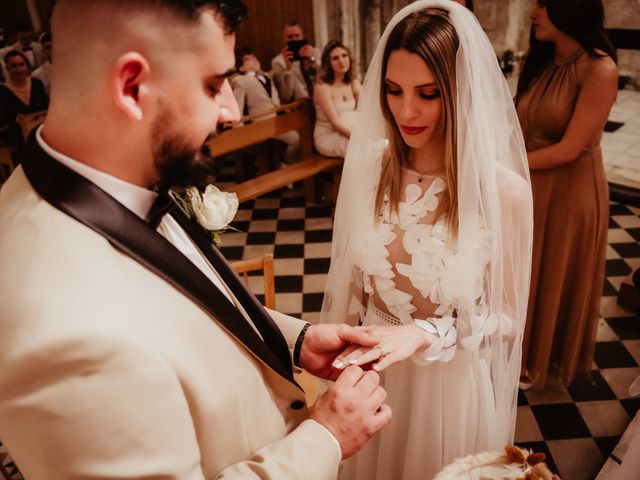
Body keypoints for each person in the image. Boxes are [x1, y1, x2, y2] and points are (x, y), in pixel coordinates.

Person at [0, 1, 392, 479]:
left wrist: (295, 341)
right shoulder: (67, 337)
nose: (230, 108)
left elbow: (184, 309)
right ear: (132, 87)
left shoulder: (121, 176)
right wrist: (326, 436)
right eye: (213, 85)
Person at [321, 1, 533, 479]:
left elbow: (508, 318)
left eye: (429, 93)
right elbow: (349, 285)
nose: (406, 111)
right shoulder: (371, 165)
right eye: (393, 91)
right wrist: (328, 382)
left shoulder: (504, 193)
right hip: (369, 376)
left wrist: (423, 332)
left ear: (461, 94)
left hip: (447, 391)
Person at [515, 0, 617, 390]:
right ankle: (518, 352)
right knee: (527, 272)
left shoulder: (598, 68)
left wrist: (503, 166)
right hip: (532, 181)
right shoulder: (544, 62)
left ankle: (542, 361)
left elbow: (568, 149)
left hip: (571, 189)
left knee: (554, 271)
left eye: (541, 3)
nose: (532, 12)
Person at [232, 47, 299, 164]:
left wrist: (287, 67)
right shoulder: (241, 81)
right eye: (247, 59)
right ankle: (288, 163)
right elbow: (237, 108)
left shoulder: (266, 77)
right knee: (296, 139)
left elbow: (275, 79)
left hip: (281, 116)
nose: (253, 59)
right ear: (241, 67)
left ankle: (288, 163)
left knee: (303, 133)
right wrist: (239, 131)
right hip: (263, 122)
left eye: (253, 56)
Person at [313, 41, 361, 158]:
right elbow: (335, 124)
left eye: (344, 56)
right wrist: (359, 137)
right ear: (328, 63)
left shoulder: (353, 82)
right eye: (335, 58)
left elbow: (362, 112)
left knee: (379, 143)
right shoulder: (322, 87)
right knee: (362, 149)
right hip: (328, 136)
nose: (341, 61)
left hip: (349, 132)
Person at [0, 50, 49, 143]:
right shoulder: (2, 91)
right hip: (19, 140)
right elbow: (4, 120)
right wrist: (15, 120)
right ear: (7, 68)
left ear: (26, 65)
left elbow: (47, 108)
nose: (19, 69)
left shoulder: (37, 83)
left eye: (21, 64)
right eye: (13, 66)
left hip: (43, 135)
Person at [271, 19, 319, 103]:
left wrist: (312, 60)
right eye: (290, 37)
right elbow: (285, 96)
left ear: (302, 36)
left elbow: (327, 78)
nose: (294, 39)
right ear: (284, 39)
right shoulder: (278, 62)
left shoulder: (315, 52)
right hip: (299, 106)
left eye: (297, 35)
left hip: (320, 99)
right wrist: (288, 69)